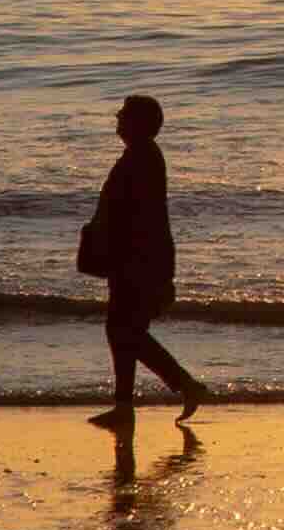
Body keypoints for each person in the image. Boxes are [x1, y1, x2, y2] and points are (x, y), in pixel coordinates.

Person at [79, 92, 205, 424]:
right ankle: (125, 407)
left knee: (126, 332)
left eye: (123, 114)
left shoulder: (143, 158)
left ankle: (185, 385)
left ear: (137, 123)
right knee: (122, 330)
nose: (117, 118)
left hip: (139, 260)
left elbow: (140, 216)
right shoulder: (140, 155)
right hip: (134, 258)